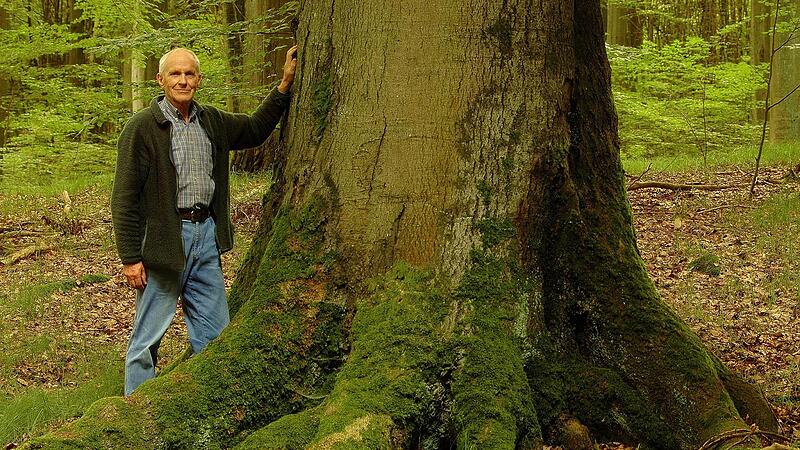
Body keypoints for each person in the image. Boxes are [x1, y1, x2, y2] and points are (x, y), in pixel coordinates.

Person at [111, 45, 298, 396]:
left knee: (215, 335)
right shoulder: (141, 128)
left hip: (206, 237)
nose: (183, 80)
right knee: (146, 340)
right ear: (161, 79)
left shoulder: (211, 120)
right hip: (164, 242)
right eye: (175, 74)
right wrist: (130, 258)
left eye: (189, 74)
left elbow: (255, 129)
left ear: (199, 79)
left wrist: (284, 84)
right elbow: (123, 197)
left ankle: (207, 408)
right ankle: (133, 414)